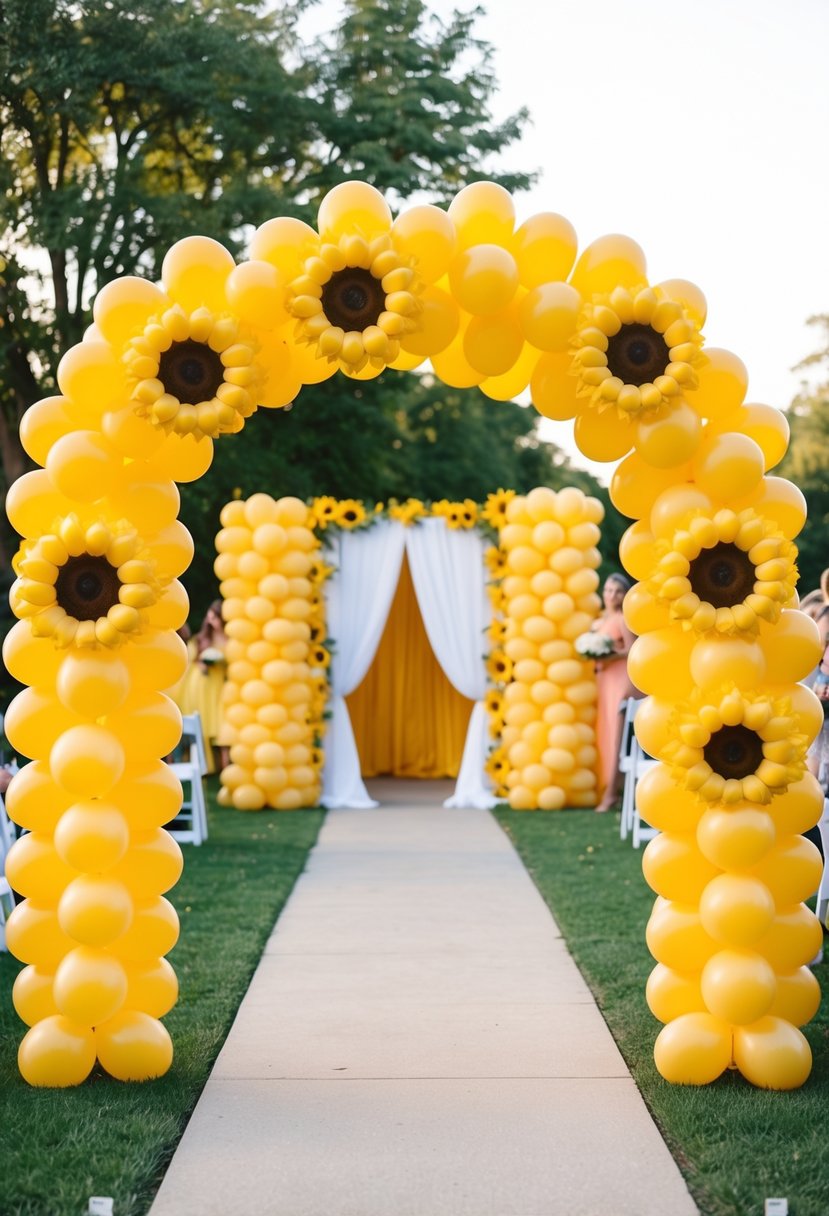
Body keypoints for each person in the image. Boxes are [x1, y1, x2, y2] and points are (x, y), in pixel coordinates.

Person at [591, 572, 638, 813]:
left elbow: (631, 650)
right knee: (604, 732)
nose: (612, 595)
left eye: (617, 591)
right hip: (604, 679)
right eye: (608, 590)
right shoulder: (599, 621)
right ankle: (605, 789)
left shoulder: (622, 619)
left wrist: (609, 655)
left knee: (615, 735)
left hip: (619, 679)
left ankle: (611, 794)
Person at [183, 601, 230, 773]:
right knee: (202, 721)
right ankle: (205, 766)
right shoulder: (201, 639)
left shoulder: (229, 638)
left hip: (218, 686)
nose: (212, 621)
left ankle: (223, 764)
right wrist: (200, 664)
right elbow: (189, 660)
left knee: (218, 722)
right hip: (201, 684)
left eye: (216, 618)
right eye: (210, 617)